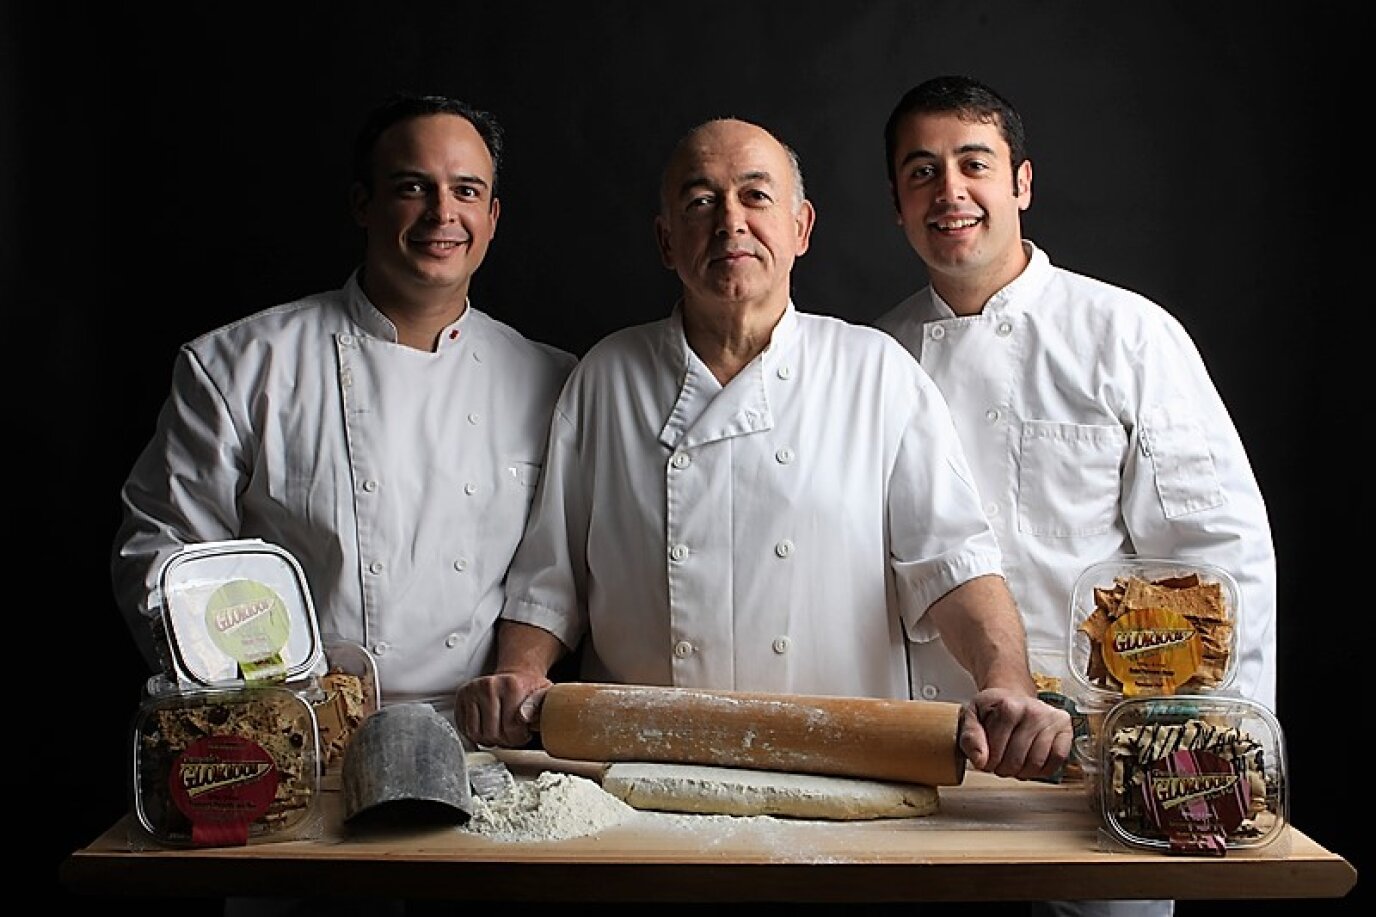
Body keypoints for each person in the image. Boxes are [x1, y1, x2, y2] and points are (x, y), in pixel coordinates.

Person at [455, 117, 1071, 782]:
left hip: (846, 770)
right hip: (639, 777)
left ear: (801, 227)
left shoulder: (876, 372)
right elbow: (550, 581)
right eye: (700, 202)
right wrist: (518, 672)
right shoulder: (607, 376)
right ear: (666, 240)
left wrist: (1006, 679)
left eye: (755, 196)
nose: (730, 223)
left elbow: (954, 567)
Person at [874, 75, 1279, 917]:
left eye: (973, 164)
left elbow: (1217, 557)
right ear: (897, 202)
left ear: (1021, 182)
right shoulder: (872, 358)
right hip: (930, 762)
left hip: (1108, 770)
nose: (949, 191)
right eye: (922, 172)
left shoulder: (1127, 336)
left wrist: (1209, 758)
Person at [111, 93, 576, 719]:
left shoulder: (551, 380)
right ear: (363, 204)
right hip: (293, 725)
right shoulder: (240, 365)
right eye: (414, 187)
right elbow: (167, 557)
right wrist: (256, 702)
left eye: (466, 192)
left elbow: (555, 566)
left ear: (492, 216)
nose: (443, 213)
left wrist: (520, 675)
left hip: (475, 739)